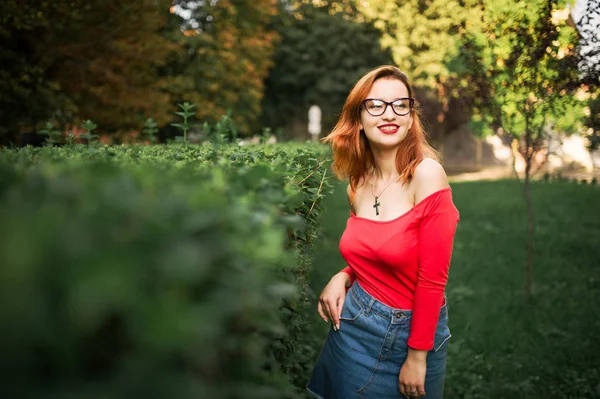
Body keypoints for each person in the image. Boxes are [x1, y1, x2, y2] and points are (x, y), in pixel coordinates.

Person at [306, 65, 460, 399]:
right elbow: (376, 250)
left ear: (410, 116)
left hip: (410, 333)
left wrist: (417, 357)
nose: (389, 114)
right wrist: (344, 276)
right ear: (358, 118)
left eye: (400, 105)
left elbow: (432, 279)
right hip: (353, 323)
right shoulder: (358, 183)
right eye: (375, 105)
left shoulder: (427, 175)